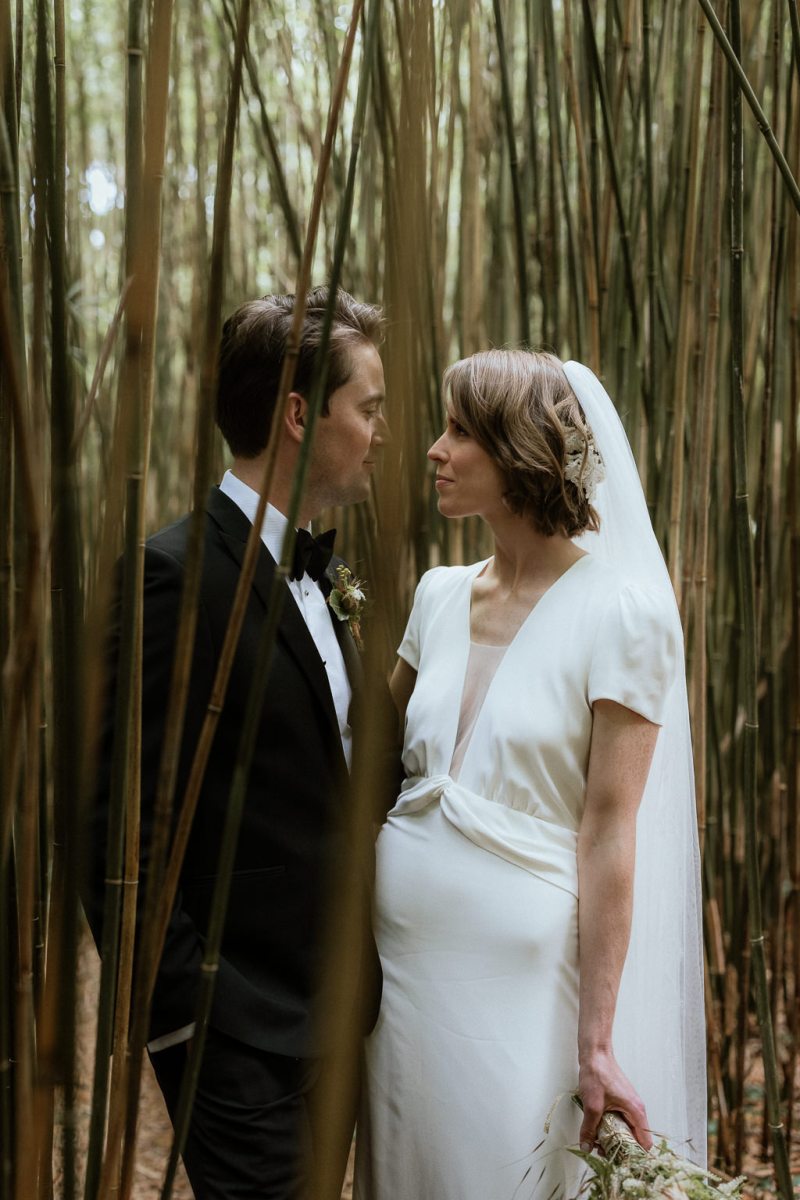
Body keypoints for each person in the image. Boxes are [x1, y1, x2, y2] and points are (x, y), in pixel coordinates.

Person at [354, 351, 705, 1199]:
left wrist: (597, 1042)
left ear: (519, 451)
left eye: (460, 432)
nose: (435, 450)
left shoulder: (623, 610)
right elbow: (368, 767)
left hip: (519, 984)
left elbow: (609, 829)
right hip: (397, 981)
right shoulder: (437, 596)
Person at [85, 286, 388, 1199]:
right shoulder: (172, 577)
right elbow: (108, 819)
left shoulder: (325, 572)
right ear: (300, 414)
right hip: (236, 1028)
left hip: (338, 1012)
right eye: (368, 407)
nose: (381, 430)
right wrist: (188, 1016)